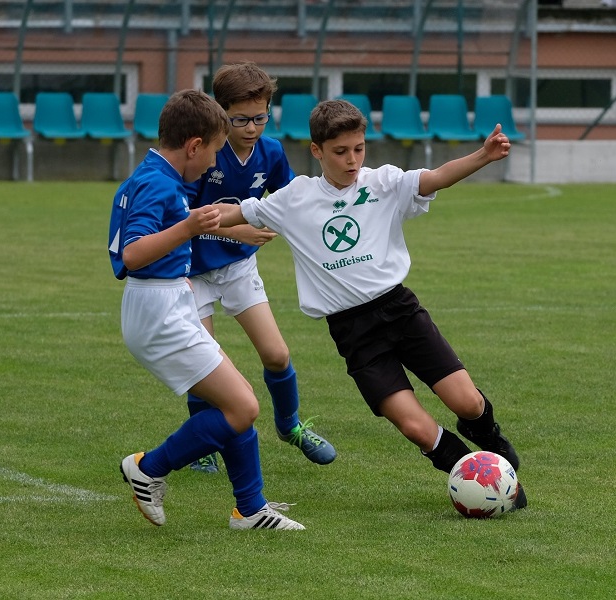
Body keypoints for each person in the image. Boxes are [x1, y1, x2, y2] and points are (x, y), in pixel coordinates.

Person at [216, 99, 527, 508]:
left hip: (402, 312)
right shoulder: (295, 198)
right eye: (340, 152)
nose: (352, 160)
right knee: (415, 427)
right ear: (317, 151)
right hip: (353, 332)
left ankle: (490, 440)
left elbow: (435, 178)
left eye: (359, 149)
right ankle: (478, 479)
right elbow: (234, 213)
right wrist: (178, 219)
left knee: (467, 402)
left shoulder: (383, 182)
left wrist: (484, 156)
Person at [108, 89, 305, 530]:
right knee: (243, 407)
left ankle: (250, 510)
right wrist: (187, 226)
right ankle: (149, 467)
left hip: (167, 302)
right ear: (194, 146)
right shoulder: (157, 184)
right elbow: (133, 255)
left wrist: (221, 226)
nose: (216, 164)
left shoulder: (159, 178)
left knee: (235, 401)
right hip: (157, 310)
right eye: (214, 152)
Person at [184, 62, 336, 474]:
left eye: (260, 117)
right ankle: (201, 444)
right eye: (240, 119)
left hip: (238, 270)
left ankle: (290, 427)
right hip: (194, 270)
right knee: (205, 364)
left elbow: (289, 201)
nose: (252, 128)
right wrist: (242, 233)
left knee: (276, 353)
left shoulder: (270, 152)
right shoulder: (205, 155)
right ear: (221, 113)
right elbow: (185, 217)